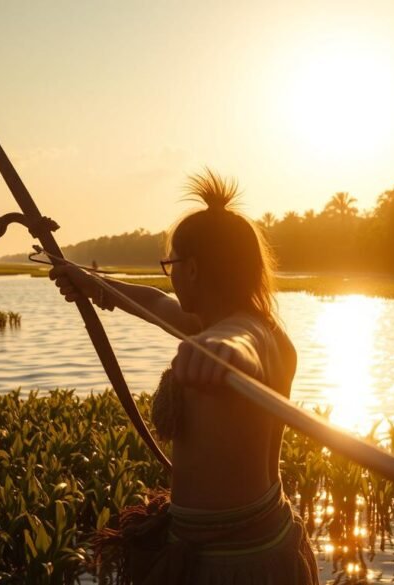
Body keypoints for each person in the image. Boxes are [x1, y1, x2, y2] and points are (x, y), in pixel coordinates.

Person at [50, 170, 318, 584]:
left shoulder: (250, 332)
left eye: (170, 264)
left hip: (239, 561)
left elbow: (243, 342)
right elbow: (156, 303)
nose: (168, 275)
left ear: (192, 269)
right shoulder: (213, 319)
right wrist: (93, 284)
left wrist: (222, 353)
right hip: (225, 543)